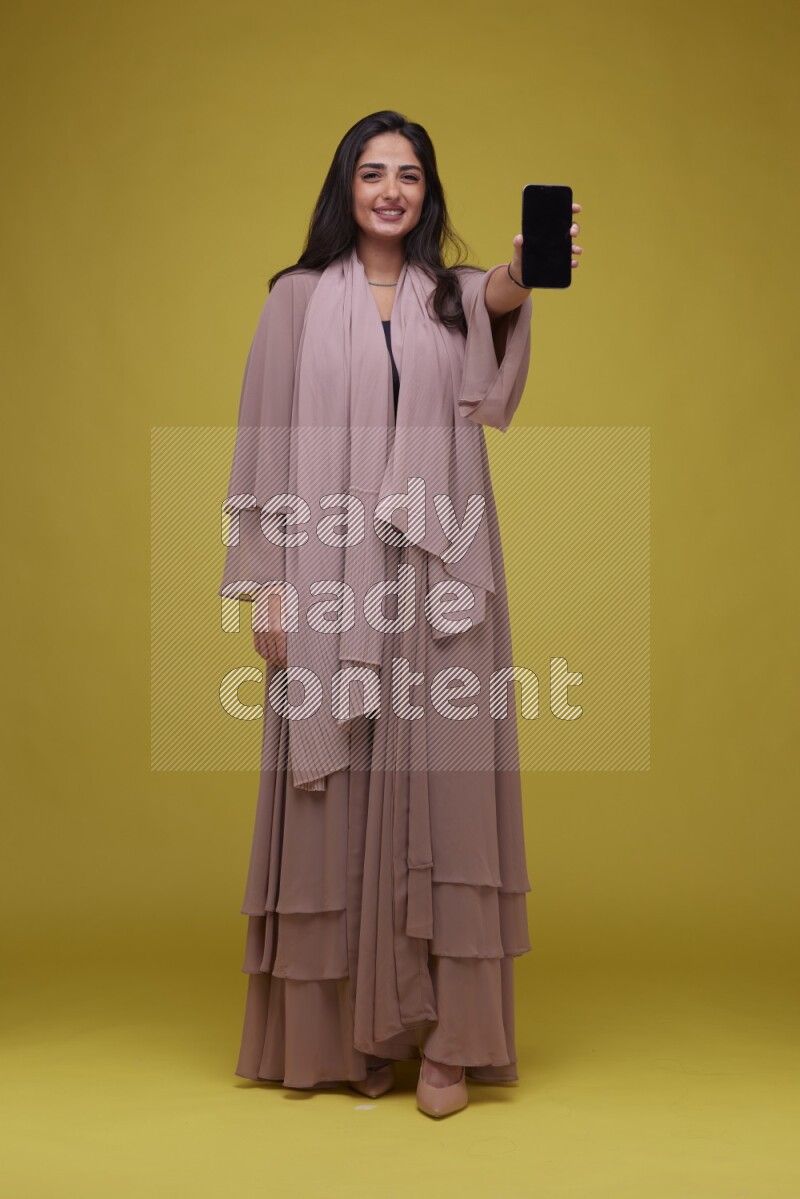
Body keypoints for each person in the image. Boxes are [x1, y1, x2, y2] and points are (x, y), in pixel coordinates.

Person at [218, 109, 584, 1119]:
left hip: (435, 568)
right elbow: (260, 440)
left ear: (428, 194)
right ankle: (352, 1037)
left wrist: (522, 269)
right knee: (331, 794)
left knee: (444, 791)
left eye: (408, 175)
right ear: (345, 188)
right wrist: (270, 580)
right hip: (326, 571)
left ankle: (449, 1043)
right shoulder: (293, 301)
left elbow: (496, 310)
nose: (389, 189)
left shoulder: (451, 295)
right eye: (372, 172)